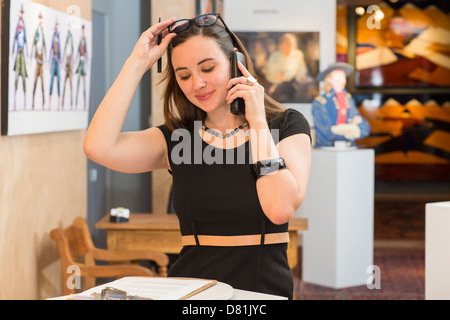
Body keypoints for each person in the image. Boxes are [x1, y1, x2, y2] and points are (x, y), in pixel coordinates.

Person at [84, 14, 311, 299]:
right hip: (190, 291)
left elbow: (279, 208)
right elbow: (99, 147)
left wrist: (257, 122)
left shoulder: (286, 125)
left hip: (261, 292)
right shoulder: (178, 137)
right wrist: (137, 64)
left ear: (235, 62)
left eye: (207, 68)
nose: (197, 84)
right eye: (184, 75)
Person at [312, 62, 370, 147]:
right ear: (329, 79)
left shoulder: (348, 99)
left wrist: (339, 130)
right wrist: (352, 130)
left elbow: (365, 128)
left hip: (348, 147)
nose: (342, 79)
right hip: (327, 148)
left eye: (343, 76)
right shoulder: (320, 102)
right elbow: (326, 132)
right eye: (338, 76)